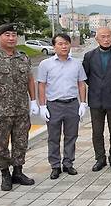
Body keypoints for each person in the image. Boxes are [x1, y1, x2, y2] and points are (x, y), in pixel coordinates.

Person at [0, 23, 38, 191]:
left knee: (21, 142)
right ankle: (5, 175)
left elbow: (29, 80)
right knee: (2, 145)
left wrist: (33, 101)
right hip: (0, 111)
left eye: (14, 35)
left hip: (21, 110)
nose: (11, 38)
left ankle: (18, 172)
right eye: (7, 35)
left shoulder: (23, 57)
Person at [36, 33, 88, 180]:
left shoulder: (77, 63)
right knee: (53, 137)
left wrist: (83, 103)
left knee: (71, 136)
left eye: (66, 43)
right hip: (54, 105)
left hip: (72, 104)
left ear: (70, 45)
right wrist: (42, 106)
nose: (64, 46)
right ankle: (55, 166)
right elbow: (41, 85)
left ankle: (68, 163)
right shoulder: (45, 64)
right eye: (60, 44)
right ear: (54, 46)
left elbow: (81, 83)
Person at [82, 27, 111, 172]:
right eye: (103, 36)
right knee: (97, 132)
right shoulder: (89, 56)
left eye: (109, 36)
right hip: (96, 100)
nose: (106, 39)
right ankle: (100, 159)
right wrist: (98, 87)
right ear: (97, 39)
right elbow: (86, 77)